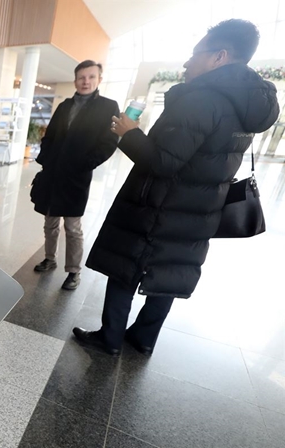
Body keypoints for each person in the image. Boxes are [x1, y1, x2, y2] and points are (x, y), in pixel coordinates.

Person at [73, 19, 280, 356]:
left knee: (126, 268)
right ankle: (143, 338)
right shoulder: (248, 103)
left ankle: (110, 338)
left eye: (196, 53)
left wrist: (128, 133)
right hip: (201, 210)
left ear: (219, 57)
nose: (187, 62)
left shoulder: (201, 99)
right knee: (170, 271)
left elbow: (164, 162)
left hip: (160, 206)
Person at [31, 60, 119, 290]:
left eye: (91, 77)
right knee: (50, 222)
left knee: (72, 226)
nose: (86, 81)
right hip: (53, 174)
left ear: (99, 79)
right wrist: (45, 161)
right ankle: (50, 259)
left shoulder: (108, 106)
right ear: (75, 80)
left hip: (76, 177)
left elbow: (109, 142)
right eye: (81, 77)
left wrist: (86, 164)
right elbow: (49, 136)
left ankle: (73, 271)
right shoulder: (64, 106)